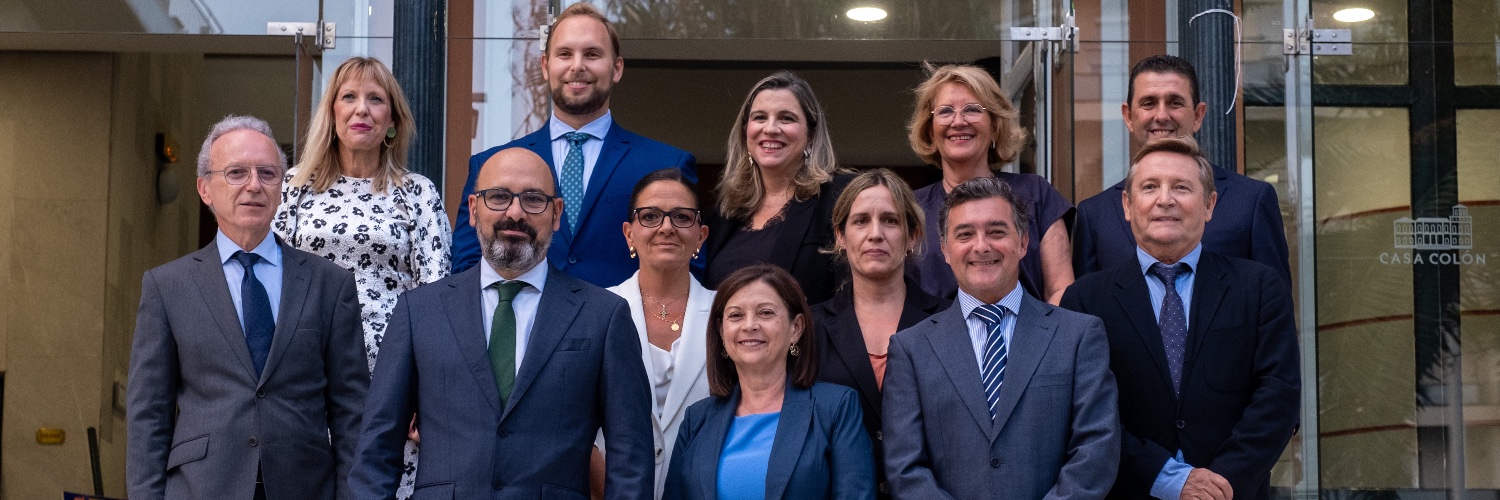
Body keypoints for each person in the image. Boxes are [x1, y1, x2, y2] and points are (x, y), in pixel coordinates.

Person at [349, 148, 654, 499]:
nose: (515, 213)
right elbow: (376, 450)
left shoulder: (604, 315)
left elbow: (631, 459)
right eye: (498, 197)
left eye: (533, 199)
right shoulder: (419, 311)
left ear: (556, 214)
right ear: (473, 209)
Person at [127, 115, 367, 500]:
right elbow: (148, 415)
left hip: (305, 486)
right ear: (205, 189)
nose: (254, 185)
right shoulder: (167, 287)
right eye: (237, 172)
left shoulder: (329, 284)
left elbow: (351, 412)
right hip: (200, 489)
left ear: (282, 188)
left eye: (267, 173)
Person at [1060, 137, 1300, 500]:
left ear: (1209, 204)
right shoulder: (1085, 299)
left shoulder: (1258, 287)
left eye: (1182, 187)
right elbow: (1084, 411)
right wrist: (1169, 480)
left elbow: (1278, 393)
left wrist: (1220, 483)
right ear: (1127, 205)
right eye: (1150, 187)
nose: (1165, 199)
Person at [273, 57, 449, 497]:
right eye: (349, 97)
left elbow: (437, 297)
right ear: (331, 114)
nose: (362, 109)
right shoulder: (293, 187)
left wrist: (424, 390)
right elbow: (269, 278)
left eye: (375, 99)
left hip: (391, 375)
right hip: (305, 369)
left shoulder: (417, 193)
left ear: (392, 121)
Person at [882, 177, 1119, 499]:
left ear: (1023, 242)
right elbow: (905, 468)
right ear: (946, 250)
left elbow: (1096, 449)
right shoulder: (911, 348)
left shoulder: (1078, 336)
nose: (981, 246)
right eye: (965, 234)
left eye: (996, 232)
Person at [452, 2, 697, 287]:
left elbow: (688, 271)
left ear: (616, 68)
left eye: (592, 54)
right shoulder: (490, 166)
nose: (577, 66)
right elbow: (468, 271)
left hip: (627, 316)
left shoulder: (666, 165)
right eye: (565, 54)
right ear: (545, 66)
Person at [1072, 54, 1291, 284]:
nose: (1161, 115)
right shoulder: (1094, 214)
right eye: (1149, 103)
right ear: (1128, 116)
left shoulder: (1251, 201)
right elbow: (1086, 304)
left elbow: (1274, 298)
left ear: (1198, 115)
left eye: (1175, 103)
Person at [664, 265, 875, 500]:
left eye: (765, 313)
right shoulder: (696, 420)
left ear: (796, 328)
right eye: (736, 315)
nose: (749, 325)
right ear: (722, 332)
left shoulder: (836, 408)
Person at [811, 168, 947, 497]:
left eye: (890, 220)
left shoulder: (949, 321)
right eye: (861, 221)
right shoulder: (809, 329)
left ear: (912, 236)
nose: (875, 234)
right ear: (840, 236)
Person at [904, 64, 1074, 304]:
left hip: (1030, 327)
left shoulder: (1036, 194)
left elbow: (1060, 290)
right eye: (945, 112)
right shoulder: (911, 209)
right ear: (930, 131)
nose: (958, 121)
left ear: (995, 126)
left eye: (972, 109)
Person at [593, 169, 715, 499]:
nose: (666, 227)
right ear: (629, 234)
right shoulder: (593, 311)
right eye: (650, 216)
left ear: (701, 235)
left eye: (682, 217)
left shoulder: (728, 315)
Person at [704, 70, 852, 305]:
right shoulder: (723, 215)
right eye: (760, 117)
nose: (771, 128)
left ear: (811, 135)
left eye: (786, 118)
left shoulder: (840, 198)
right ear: (745, 131)